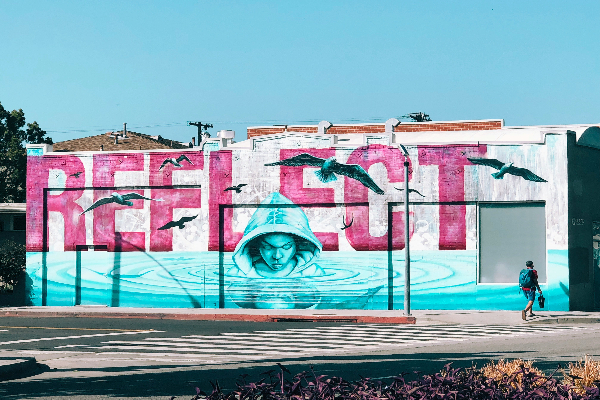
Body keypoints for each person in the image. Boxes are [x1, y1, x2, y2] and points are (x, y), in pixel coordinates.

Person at [227, 192, 325, 308]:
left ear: (298, 245)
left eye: (286, 247)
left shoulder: (313, 273)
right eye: (268, 247)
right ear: (257, 245)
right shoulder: (237, 274)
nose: (277, 256)